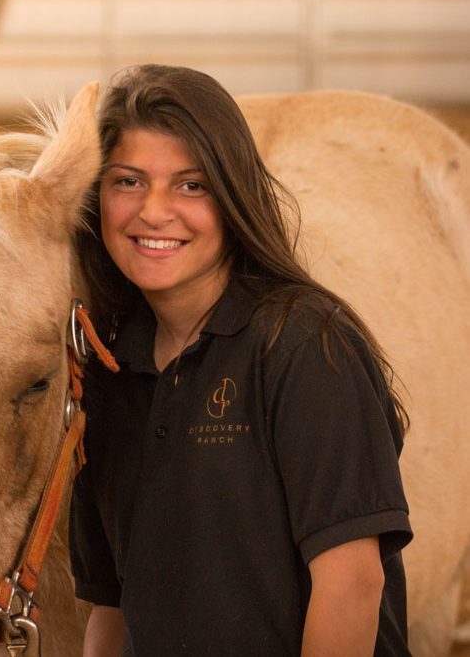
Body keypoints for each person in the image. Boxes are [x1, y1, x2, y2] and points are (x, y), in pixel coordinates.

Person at [70, 64, 412, 656]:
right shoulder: (105, 370)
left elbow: (353, 583)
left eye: (191, 185)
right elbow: (111, 604)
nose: (154, 212)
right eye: (128, 181)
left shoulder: (307, 347)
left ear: (233, 197)